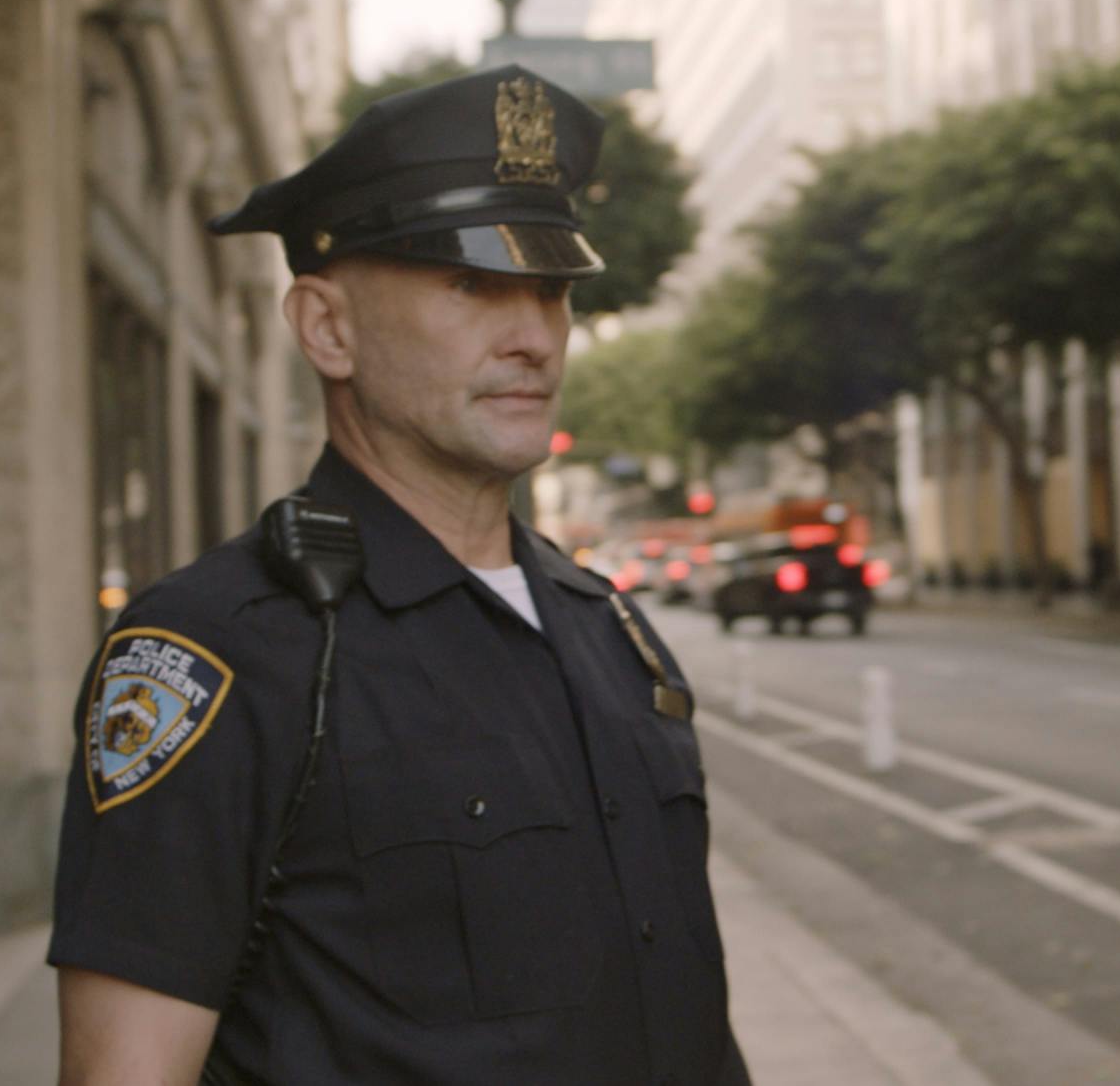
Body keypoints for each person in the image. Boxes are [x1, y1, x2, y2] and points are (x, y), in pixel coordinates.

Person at [50, 65, 751, 1085]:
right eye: (471, 286)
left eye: (550, 291)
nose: (530, 337)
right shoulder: (217, 651)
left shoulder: (607, 629)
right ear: (327, 329)